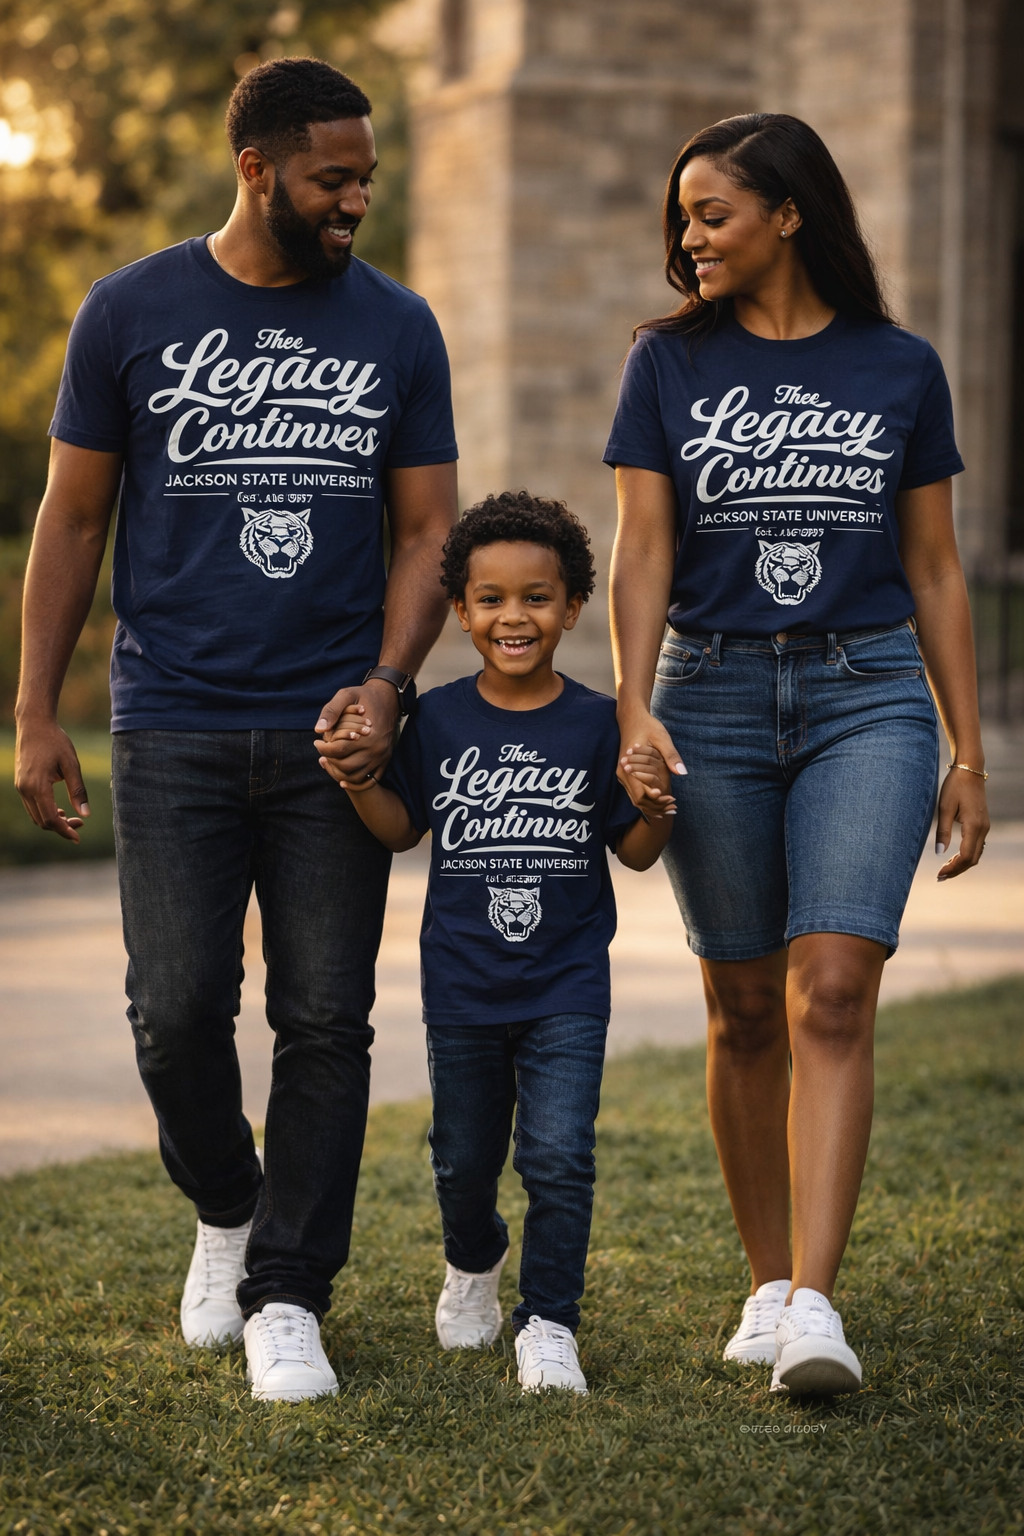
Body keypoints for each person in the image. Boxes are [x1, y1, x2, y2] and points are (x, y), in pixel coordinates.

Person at [14, 57, 458, 1403]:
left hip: (336, 725)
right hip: (177, 719)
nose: (355, 202)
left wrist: (389, 681)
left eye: (367, 180)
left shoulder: (397, 325)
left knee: (328, 1017)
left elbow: (432, 526)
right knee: (176, 1011)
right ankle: (228, 1203)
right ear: (256, 167)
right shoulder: (132, 309)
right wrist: (34, 711)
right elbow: (74, 517)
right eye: (334, 178)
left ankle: (288, 1293)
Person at [604, 113, 989, 1395]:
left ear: (786, 214)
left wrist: (967, 747)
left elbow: (933, 565)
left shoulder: (900, 365)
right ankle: (765, 1280)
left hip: (864, 692)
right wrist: (631, 706)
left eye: (709, 212)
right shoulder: (665, 365)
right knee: (744, 1003)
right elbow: (645, 547)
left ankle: (817, 1304)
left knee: (833, 985)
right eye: (682, 217)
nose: (688, 236)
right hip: (704, 693)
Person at [319, 493, 676, 1393]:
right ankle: (473, 1259)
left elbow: (632, 852)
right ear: (461, 610)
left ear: (572, 607)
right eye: (490, 599)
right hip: (465, 983)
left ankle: (550, 1322)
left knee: (559, 1154)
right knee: (463, 1156)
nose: (514, 617)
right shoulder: (434, 720)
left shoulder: (600, 724)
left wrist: (659, 809)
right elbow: (403, 831)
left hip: (566, 984)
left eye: (537, 598)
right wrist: (359, 782)